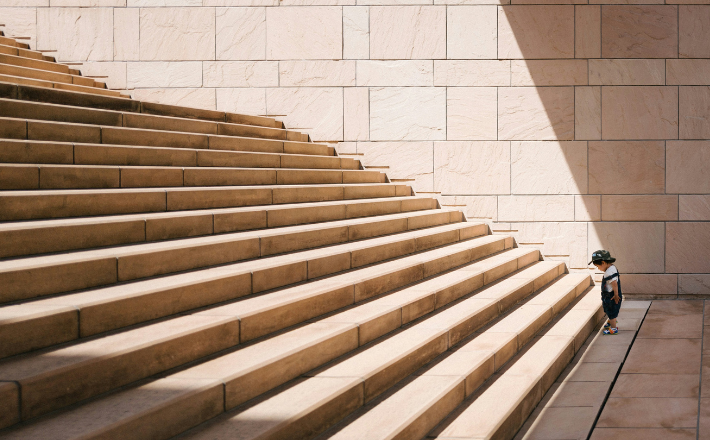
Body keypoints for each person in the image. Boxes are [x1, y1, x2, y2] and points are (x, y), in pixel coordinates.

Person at [589, 250, 622, 335]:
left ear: (603, 263)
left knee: (611, 311)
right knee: (611, 310)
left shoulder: (608, 273)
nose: (598, 268)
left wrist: (615, 295)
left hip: (611, 295)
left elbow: (614, 284)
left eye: (598, 266)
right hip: (612, 294)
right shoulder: (612, 267)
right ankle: (611, 321)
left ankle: (614, 328)